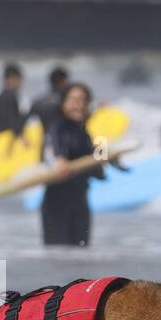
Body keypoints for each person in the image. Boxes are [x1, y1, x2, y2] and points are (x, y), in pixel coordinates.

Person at [40, 82, 115, 248]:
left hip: (80, 202)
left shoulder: (85, 134)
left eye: (82, 100)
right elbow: (52, 147)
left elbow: (99, 174)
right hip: (57, 205)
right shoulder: (57, 127)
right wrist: (59, 159)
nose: (78, 105)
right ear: (63, 104)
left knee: (81, 257)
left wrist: (102, 158)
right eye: (73, 100)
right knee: (59, 257)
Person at [16, 65, 69, 157]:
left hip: (45, 145)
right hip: (64, 143)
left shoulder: (37, 101)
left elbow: (23, 122)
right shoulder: (66, 100)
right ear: (62, 81)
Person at [0, 62, 25, 135]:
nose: (20, 83)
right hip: (7, 141)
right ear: (12, 79)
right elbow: (13, 125)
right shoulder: (10, 97)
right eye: (18, 79)